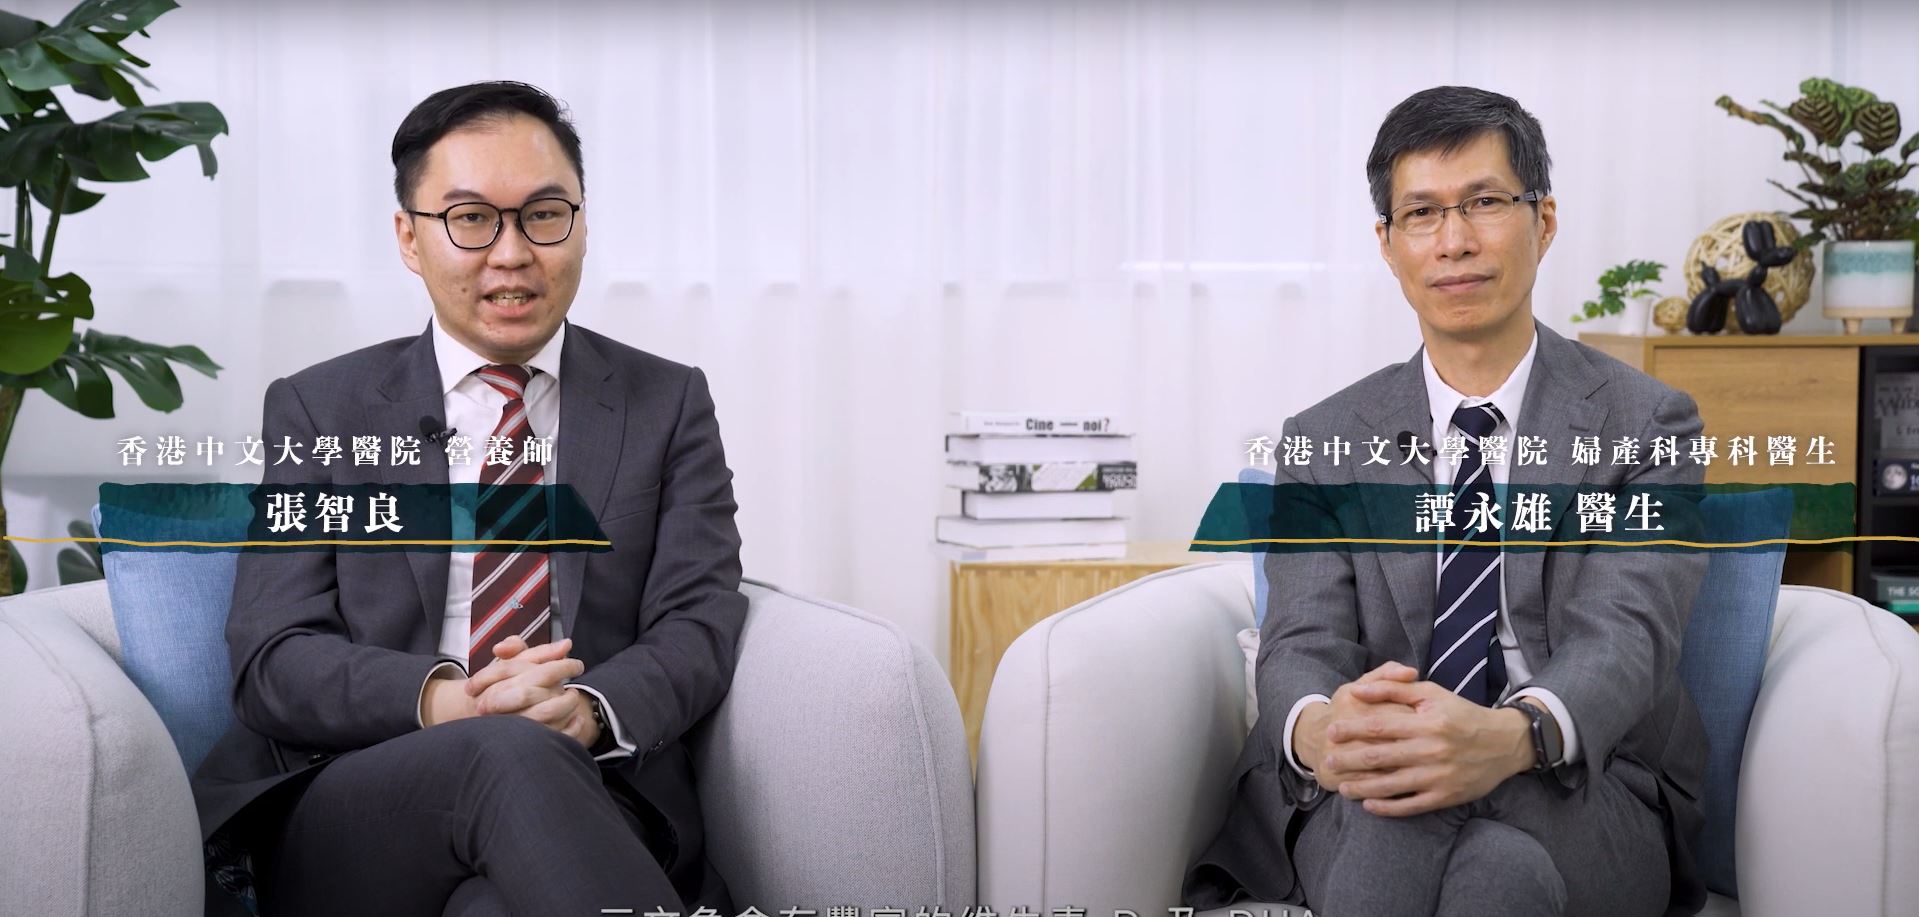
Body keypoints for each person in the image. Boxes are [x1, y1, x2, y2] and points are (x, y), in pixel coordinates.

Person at [191, 81, 746, 916]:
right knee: (501, 751)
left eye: (544, 215)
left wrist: (588, 710)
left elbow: (699, 617)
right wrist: (455, 700)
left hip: (593, 793)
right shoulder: (321, 409)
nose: (512, 252)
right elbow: (273, 656)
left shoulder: (665, 403)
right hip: (359, 798)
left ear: (582, 224)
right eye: (471, 218)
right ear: (409, 238)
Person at [1183, 86, 1712, 917]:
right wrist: (1327, 732)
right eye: (1421, 213)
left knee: (1413, 811)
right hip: (1365, 785)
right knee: (1483, 862)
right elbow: (1299, 643)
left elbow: (1627, 635)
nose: (1454, 240)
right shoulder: (1324, 437)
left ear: (1542, 221)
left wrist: (1506, 737)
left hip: (1582, 783)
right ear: (1387, 243)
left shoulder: (1646, 424)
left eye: (1485, 202)